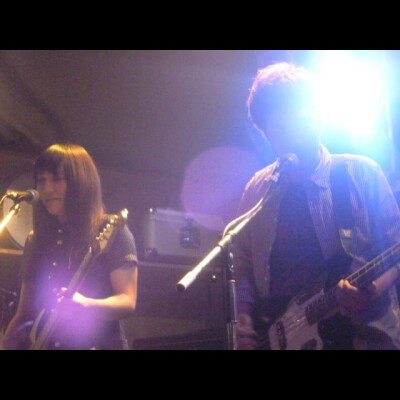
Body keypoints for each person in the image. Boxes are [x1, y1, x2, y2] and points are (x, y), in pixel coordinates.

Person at [234, 61, 400, 350]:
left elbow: (394, 250)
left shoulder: (362, 174)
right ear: (267, 133)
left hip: (361, 337)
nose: (297, 131)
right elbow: (243, 265)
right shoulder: (257, 190)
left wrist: (371, 290)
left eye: (303, 116)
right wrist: (245, 323)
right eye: (281, 125)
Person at [1, 143, 138, 350]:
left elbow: (128, 301)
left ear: (79, 183)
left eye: (56, 179)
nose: (47, 189)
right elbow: (24, 314)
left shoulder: (112, 231)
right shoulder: (36, 240)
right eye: (41, 180)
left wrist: (87, 305)